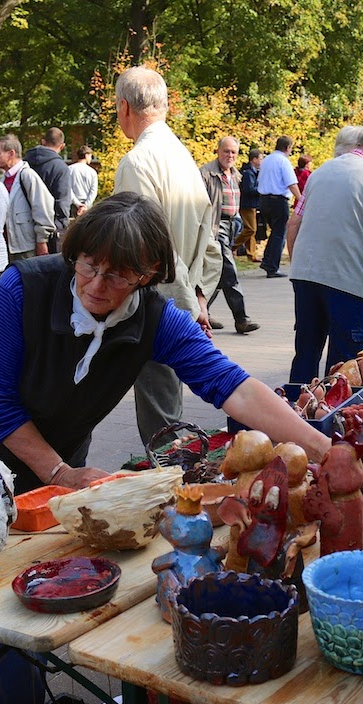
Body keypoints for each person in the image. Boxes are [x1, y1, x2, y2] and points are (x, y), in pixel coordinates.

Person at [0, 193, 332, 704]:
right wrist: (61, 473)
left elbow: (234, 388)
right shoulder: (22, 287)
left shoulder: (160, 321)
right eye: (88, 266)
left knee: (32, 578)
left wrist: (326, 449)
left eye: (117, 276)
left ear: (149, 273)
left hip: (57, 448)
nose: (95, 285)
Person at [111, 65, 220, 446]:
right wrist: (200, 296)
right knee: (166, 407)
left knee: (161, 421)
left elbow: (146, 246)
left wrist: (189, 305)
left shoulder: (138, 163)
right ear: (165, 105)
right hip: (179, 296)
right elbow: (210, 236)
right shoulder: (181, 155)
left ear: (124, 107)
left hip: (157, 302)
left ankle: (174, 491)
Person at [286, 125, 363, 382]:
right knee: (345, 365)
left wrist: (299, 265)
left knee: (305, 352)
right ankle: (336, 416)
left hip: (306, 277)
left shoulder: (319, 173)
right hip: (347, 282)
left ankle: (295, 411)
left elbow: (293, 223)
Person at [200, 136, 260, 334]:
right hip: (215, 227)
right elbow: (199, 204)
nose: (230, 155)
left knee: (217, 274)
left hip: (231, 225)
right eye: (227, 151)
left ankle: (202, 313)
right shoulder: (206, 173)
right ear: (218, 151)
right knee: (229, 271)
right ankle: (241, 318)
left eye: (234, 152)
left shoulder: (236, 175)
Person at [0, 134, 55, 262]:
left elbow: (43, 207)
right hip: (10, 247)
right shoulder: (3, 179)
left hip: (27, 247)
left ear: (11, 154)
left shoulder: (27, 175)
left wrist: (42, 240)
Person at [23, 127, 72, 250]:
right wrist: (62, 228)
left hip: (23, 227)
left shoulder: (25, 163)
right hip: (51, 229)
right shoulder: (61, 168)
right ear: (62, 146)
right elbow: (62, 202)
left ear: (43, 141)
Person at [258, 135, 300, 278]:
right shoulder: (283, 161)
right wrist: (301, 200)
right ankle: (272, 266)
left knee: (274, 233)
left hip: (264, 200)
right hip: (278, 200)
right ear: (288, 147)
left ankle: (267, 260)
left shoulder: (266, 160)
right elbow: (291, 183)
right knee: (279, 233)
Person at [236, 149, 264, 262]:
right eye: (260, 158)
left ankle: (251, 254)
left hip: (251, 204)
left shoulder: (254, 172)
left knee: (251, 230)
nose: (262, 161)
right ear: (254, 159)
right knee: (251, 229)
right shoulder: (248, 173)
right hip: (247, 204)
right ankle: (232, 246)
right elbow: (249, 189)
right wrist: (262, 190)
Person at [68, 144, 98, 216]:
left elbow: (68, 189)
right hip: (87, 205)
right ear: (86, 155)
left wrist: (78, 204)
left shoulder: (69, 169)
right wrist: (86, 205)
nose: (91, 158)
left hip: (73, 204)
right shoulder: (92, 172)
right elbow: (93, 191)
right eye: (90, 156)